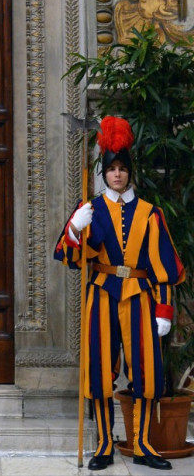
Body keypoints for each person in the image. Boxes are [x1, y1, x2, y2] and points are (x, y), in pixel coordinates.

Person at [54, 116, 185, 471]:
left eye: (122, 168)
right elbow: (68, 257)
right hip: (101, 297)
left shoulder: (150, 213)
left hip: (141, 298)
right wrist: (74, 230)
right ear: (104, 172)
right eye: (111, 168)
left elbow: (165, 269)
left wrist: (163, 310)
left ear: (130, 173)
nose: (117, 174)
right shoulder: (90, 209)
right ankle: (105, 446)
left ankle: (141, 444)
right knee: (99, 374)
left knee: (145, 373)